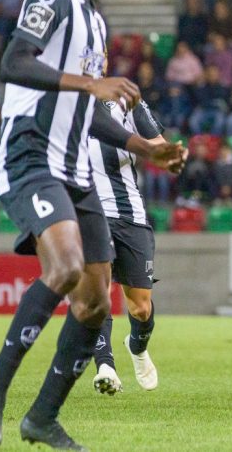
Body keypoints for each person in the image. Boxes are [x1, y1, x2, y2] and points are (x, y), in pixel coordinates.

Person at [0, 0, 185, 450]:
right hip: (31, 156)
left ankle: (41, 418)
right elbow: (15, 62)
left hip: (77, 168)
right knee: (64, 267)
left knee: (95, 302)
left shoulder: (95, 20)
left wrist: (143, 148)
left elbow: (89, 111)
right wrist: (91, 85)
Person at [89, 99, 180, 396]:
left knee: (140, 307)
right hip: (89, 214)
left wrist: (170, 155)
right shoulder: (63, 103)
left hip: (130, 217)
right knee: (96, 294)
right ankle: (105, 366)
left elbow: (158, 144)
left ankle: (137, 346)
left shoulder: (126, 102)